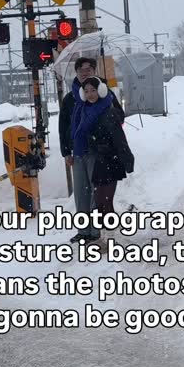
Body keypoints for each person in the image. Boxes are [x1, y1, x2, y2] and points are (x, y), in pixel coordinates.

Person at [59, 57, 124, 241]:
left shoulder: (105, 95)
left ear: (94, 70)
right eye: (80, 70)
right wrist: (66, 152)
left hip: (99, 153)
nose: (84, 72)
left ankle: (96, 232)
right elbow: (63, 127)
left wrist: (109, 114)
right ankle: (83, 231)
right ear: (76, 73)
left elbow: (120, 117)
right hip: (78, 152)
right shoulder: (70, 99)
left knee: (97, 193)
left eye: (88, 69)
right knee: (81, 193)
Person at [80, 77, 134, 218]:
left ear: (101, 91)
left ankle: (110, 235)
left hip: (111, 159)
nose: (90, 94)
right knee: (99, 202)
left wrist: (127, 159)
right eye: (86, 91)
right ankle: (105, 233)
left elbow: (119, 138)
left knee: (106, 202)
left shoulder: (109, 111)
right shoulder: (86, 112)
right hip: (99, 160)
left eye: (93, 90)